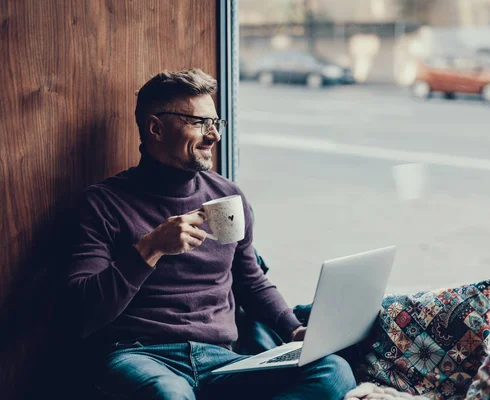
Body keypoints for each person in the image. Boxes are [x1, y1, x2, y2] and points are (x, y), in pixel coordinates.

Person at [66, 68, 356, 399]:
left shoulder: (226, 197)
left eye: (216, 123)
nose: (214, 135)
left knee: (333, 372)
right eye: (200, 123)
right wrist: (150, 248)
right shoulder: (103, 202)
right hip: (141, 355)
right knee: (169, 395)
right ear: (156, 128)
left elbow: (251, 280)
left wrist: (293, 329)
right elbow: (83, 311)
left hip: (221, 360)